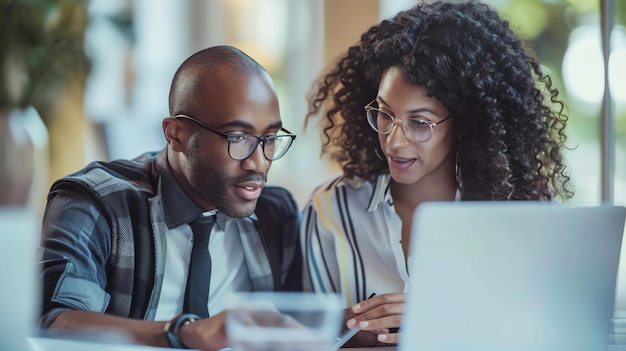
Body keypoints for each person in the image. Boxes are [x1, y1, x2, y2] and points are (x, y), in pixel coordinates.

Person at [300, 0, 573, 346]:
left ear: (465, 124)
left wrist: (446, 319)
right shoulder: (330, 212)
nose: (394, 141)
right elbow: (308, 340)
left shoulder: (530, 220)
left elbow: (556, 336)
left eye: (419, 122)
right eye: (384, 114)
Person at [39, 45, 301, 351]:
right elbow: (54, 321)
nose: (258, 163)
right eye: (237, 138)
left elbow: (293, 323)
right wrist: (182, 332)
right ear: (176, 134)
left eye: (269, 139)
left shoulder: (274, 212)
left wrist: (350, 327)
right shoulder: (96, 203)